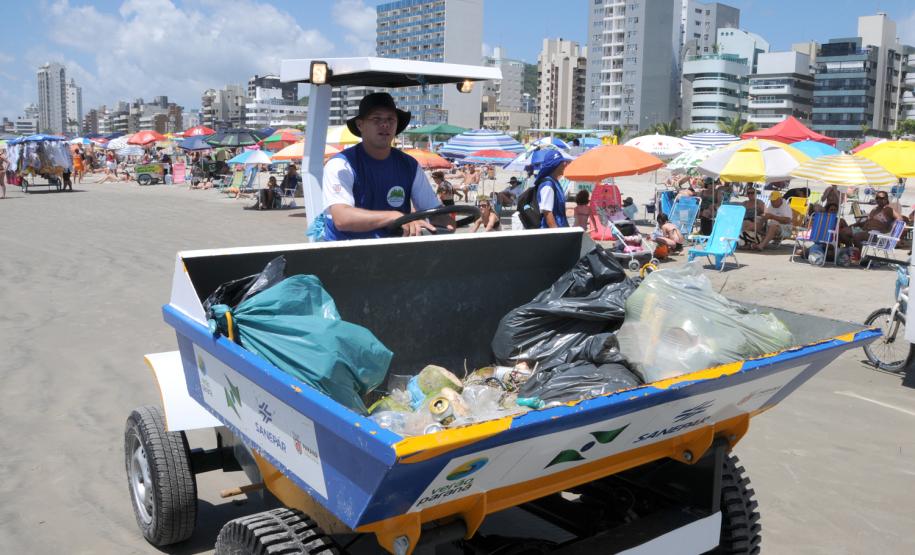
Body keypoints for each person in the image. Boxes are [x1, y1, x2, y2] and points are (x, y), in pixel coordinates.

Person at [322, 92, 448, 240]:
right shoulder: (340, 165)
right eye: (376, 119)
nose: (385, 124)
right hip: (346, 255)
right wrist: (394, 217)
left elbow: (433, 211)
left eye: (390, 119)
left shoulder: (409, 165)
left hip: (395, 253)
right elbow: (342, 218)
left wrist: (445, 222)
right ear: (360, 124)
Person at [534, 149, 570, 228]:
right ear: (555, 165)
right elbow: (547, 212)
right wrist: (557, 234)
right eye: (562, 162)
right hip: (551, 234)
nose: (565, 164)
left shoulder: (554, 182)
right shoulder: (548, 185)